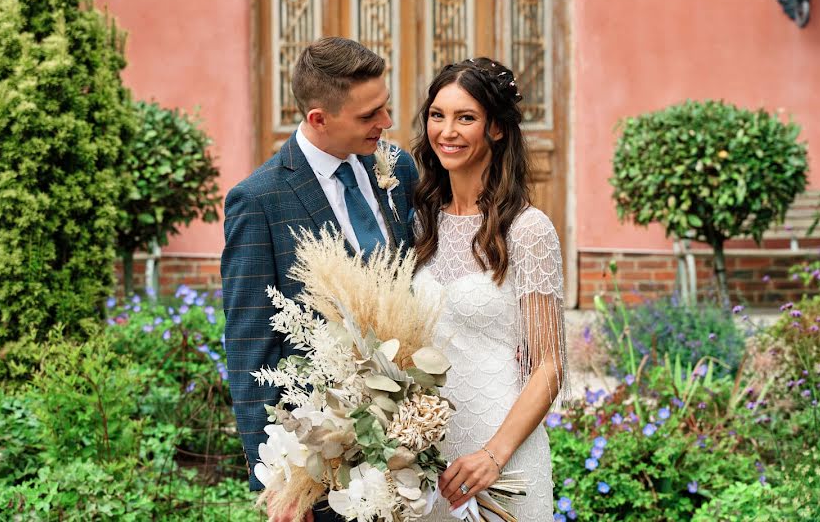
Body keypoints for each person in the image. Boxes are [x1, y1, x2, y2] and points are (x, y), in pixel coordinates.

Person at [221, 37, 418, 522]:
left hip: (414, 432)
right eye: (370, 114)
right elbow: (250, 348)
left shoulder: (397, 169)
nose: (386, 123)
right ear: (318, 118)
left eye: (386, 106)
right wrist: (281, 483)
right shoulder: (259, 201)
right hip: (325, 453)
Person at [411, 57, 569, 520]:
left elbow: (549, 366)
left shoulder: (528, 230)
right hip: (427, 454)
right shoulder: (420, 222)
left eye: (466, 118)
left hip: (502, 450)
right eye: (437, 115)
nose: (447, 131)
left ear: (496, 129)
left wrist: (493, 456)